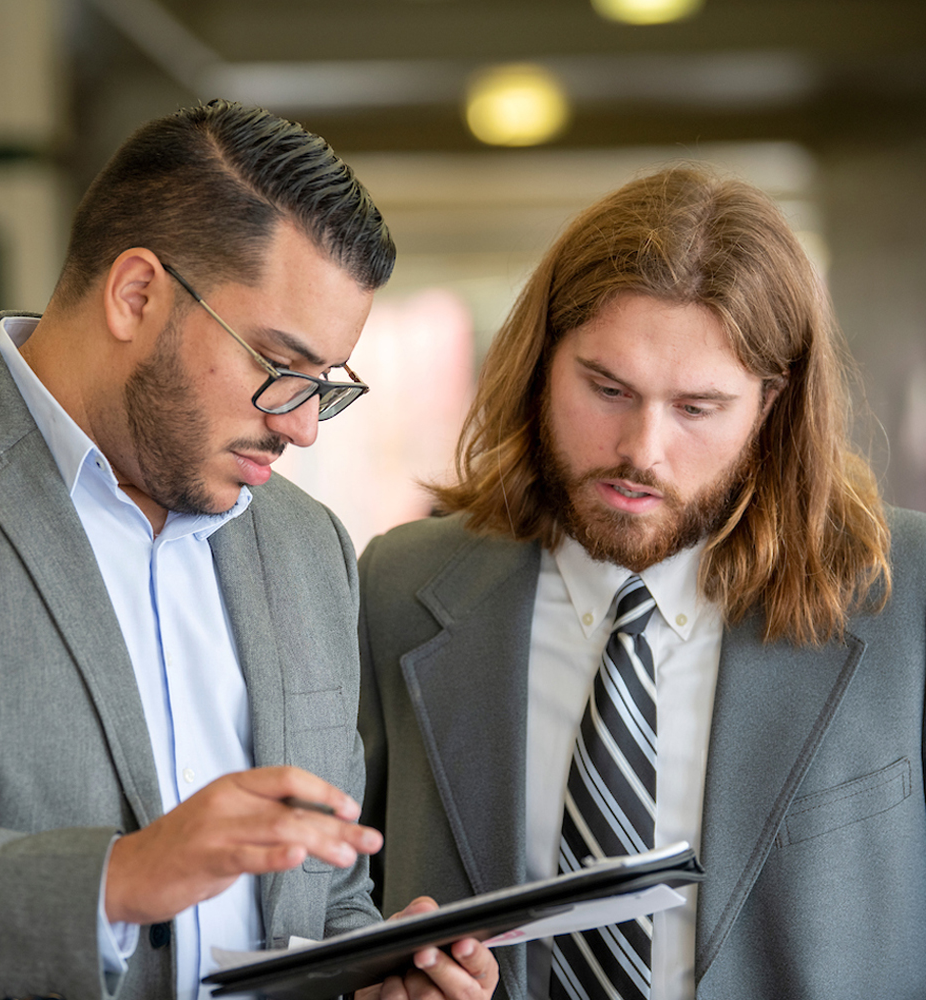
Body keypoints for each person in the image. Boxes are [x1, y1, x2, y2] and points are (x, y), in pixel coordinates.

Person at [0, 100, 497, 1000]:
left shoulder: (309, 551)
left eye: (325, 387)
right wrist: (114, 883)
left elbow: (325, 896)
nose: (304, 429)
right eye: (279, 367)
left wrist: (372, 976)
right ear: (135, 294)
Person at [357, 165, 926, 1000]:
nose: (642, 450)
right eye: (607, 389)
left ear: (772, 408)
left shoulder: (904, 594)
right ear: (541, 363)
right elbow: (331, 910)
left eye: (697, 408)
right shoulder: (398, 589)